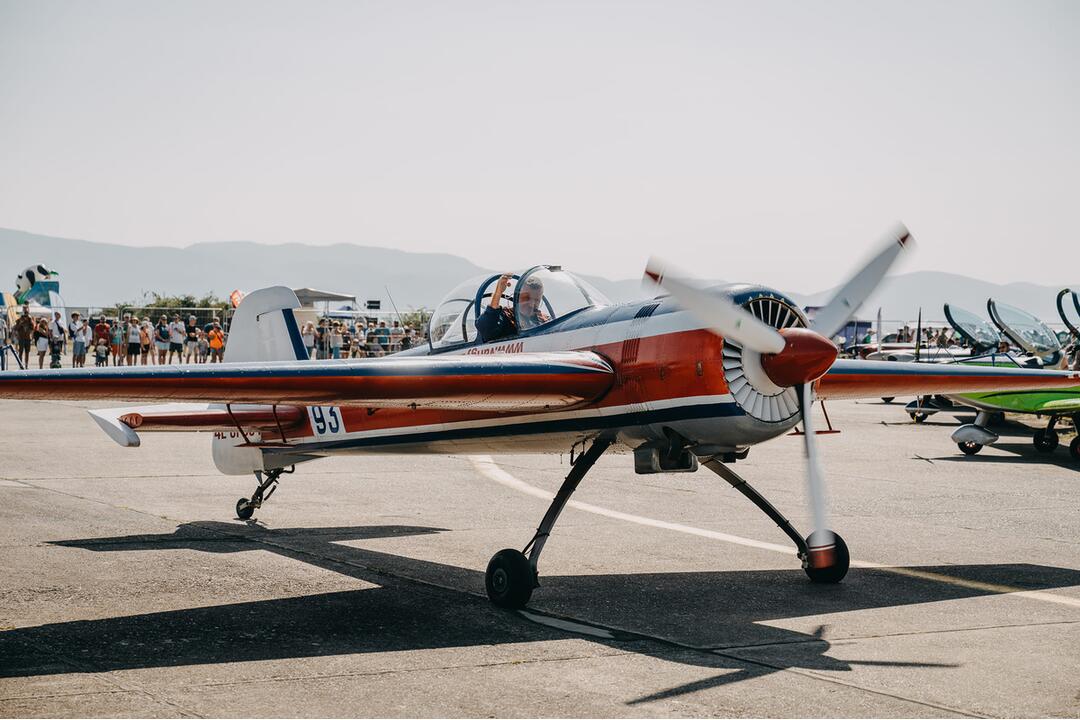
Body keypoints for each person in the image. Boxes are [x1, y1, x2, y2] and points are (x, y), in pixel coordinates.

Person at [476, 273, 548, 342]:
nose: (531, 304)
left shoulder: (544, 320)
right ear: (516, 297)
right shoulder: (505, 316)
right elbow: (486, 329)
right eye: (526, 298)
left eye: (536, 300)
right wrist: (498, 293)